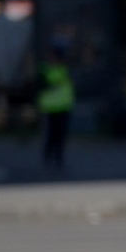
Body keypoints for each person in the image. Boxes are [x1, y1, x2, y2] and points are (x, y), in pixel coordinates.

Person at [36, 46, 74, 174]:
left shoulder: (65, 69)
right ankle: (47, 158)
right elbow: (41, 85)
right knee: (50, 136)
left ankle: (59, 159)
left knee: (60, 136)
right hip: (49, 108)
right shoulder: (44, 70)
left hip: (64, 107)